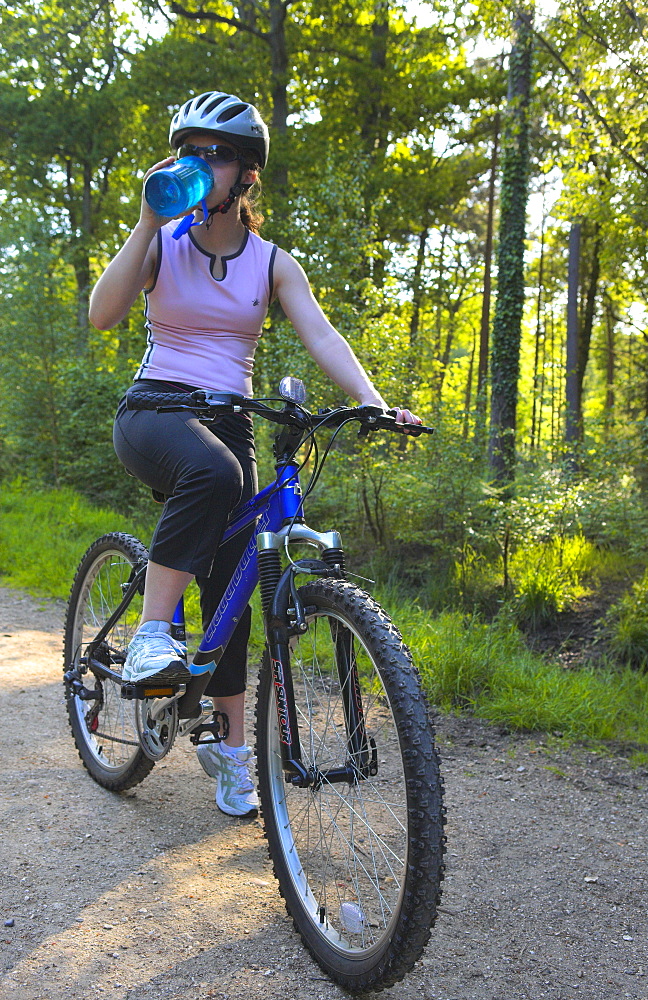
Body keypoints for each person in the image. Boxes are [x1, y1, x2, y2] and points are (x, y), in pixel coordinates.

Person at [89, 90, 421, 818]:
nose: (203, 165)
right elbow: (102, 313)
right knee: (213, 472)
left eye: (219, 154)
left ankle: (231, 755)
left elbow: (322, 334)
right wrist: (148, 218)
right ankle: (149, 635)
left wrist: (371, 400)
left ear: (247, 174)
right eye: (191, 153)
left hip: (232, 417)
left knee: (237, 585)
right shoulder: (164, 241)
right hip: (154, 409)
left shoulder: (272, 262)